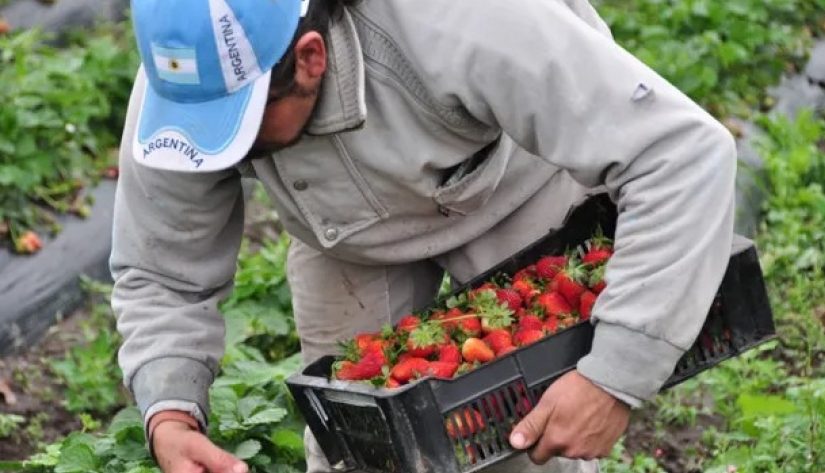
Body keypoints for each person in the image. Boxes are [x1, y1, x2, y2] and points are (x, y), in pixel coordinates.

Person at [110, 0, 737, 471]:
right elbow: (161, 270)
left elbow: (680, 153)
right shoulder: (187, 88)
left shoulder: (462, 19)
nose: (226, 145)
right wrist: (169, 410)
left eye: (242, 123)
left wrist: (612, 378)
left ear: (309, 57)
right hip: (347, 237)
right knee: (361, 451)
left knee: (536, 438)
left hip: (509, 187)